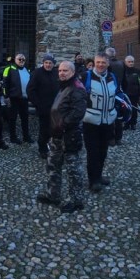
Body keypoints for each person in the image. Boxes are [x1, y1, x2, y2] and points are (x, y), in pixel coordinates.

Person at [36, 60, 88, 213]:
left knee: (73, 170)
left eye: (65, 70)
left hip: (70, 136)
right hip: (57, 135)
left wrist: (62, 124)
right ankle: (53, 195)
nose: (62, 73)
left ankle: (76, 201)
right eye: (60, 70)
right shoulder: (64, 86)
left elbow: (78, 113)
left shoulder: (77, 88)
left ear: (73, 72)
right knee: (52, 165)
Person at [83, 52, 125, 193]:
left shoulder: (112, 77)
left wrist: (118, 108)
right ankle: (93, 180)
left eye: (103, 62)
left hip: (107, 121)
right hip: (91, 122)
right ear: (94, 63)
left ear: (108, 63)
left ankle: (99, 175)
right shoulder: (86, 77)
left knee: (103, 150)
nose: (100, 65)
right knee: (93, 152)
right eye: (98, 62)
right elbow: (78, 95)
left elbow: (118, 93)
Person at [26, 53, 60, 159]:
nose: (48, 65)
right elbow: (30, 90)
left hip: (56, 107)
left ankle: (53, 147)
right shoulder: (37, 73)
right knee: (44, 129)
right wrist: (38, 104)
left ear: (53, 64)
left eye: (50, 63)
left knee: (55, 129)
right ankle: (43, 149)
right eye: (46, 63)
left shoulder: (56, 72)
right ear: (43, 63)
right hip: (43, 107)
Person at [2, 53, 33, 144]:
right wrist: (6, 96)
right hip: (13, 98)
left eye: (23, 59)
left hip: (24, 98)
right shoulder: (9, 68)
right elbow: (5, 84)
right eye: (19, 59)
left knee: (25, 118)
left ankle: (26, 137)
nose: (21, 61)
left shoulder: (27, 69)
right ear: (15, 59)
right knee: (13, 118)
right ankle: (13, 137)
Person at [121, 55, 140, 132]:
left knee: (134, 109)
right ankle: (126, 123)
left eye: (132, 62)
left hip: (135, 94)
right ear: (125, 62)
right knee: (125, 109)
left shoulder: (138, 72)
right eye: (129, 62)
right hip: (125, 94)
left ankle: (133, 123)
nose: (131, 63)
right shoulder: (122, 71)